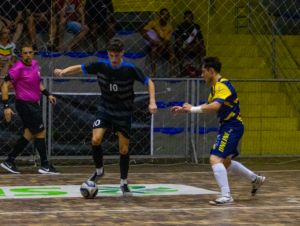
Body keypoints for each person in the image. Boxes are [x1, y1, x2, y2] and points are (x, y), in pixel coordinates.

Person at [54, 38, 157, 195]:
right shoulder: (101, 65)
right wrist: (64, 71)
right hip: (105, 109)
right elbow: (80, 67)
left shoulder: (130, 68)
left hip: (123, 112)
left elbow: (149, 82)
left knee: (123, 149)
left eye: (117, 55)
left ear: (122, 53)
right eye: (111, 55)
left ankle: (123, 182)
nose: (114, 59)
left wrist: (152, 101)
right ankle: (99, 170)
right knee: (95, 139)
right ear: (107, 54)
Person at [171, 57, 265, 205]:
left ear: (211, 70)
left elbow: (215, 107)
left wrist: (193, 109)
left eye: (203, 72)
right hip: (229, 126)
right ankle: (255, 179)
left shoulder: (222, 85)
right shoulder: (215, 87)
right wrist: (187, 110)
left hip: (232, 126)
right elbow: (210, 105)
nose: (201, 75)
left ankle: (226, 196)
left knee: (214, 159)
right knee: (225, 162)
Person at [1, 42, 60, 174]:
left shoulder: (34, 64)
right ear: (21, 54)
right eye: (25, 53)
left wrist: (48, 94)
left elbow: (37, 82)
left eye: (30, 52)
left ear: (33, 53)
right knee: (40, 132)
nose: (28, 55)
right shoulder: (17, 68)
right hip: (25, 104)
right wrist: (6, 106)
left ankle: (9, 161)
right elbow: (4, 86)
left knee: (29, 134)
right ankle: (45, 165)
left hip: (33, 104)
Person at [141, 8, 175, 77]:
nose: (164, 16)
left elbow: (165, 41)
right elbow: (143, 32)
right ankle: (153, 72)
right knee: (154, 48)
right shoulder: (153, 23)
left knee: (171, 48)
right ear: (159, 15)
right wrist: (152, 41)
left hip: (163, 46)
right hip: (154, 44)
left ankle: (171, 72)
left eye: (166, 15)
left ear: (168, 17)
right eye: (163, 14)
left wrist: (159, 53)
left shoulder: (169, 27)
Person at [175, 10, 206, 76]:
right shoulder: (180, 26)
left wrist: (194, 45)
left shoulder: (196, 26)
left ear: (192, 18)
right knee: (180, 48)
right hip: (184, 46)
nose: (188, 18)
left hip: (193, 46)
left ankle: (202, 71)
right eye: (186, 17)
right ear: (184, 17)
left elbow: (201, 40)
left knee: (202, 47)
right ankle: (182, 71)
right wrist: (184, 45)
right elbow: (177, 40)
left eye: (189, 17)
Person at [0, 27, 16, 91]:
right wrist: (7, 62)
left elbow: (13, 59)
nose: (7, 35)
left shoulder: (11, 46)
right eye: (5, 33)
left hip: (7, 68)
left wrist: (5, 63)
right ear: (1, 34)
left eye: (8, 34)